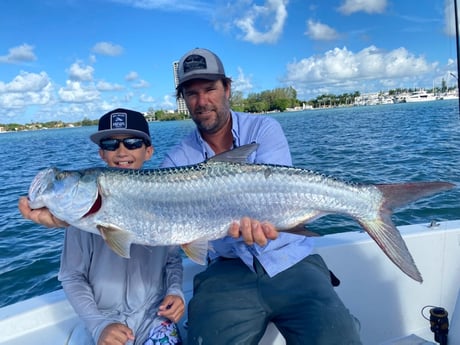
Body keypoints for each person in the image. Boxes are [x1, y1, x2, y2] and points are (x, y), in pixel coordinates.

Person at [162, 48, 362, 344]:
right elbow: (183, 237)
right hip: (226, 271)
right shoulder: (176, 161)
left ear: (228, 88)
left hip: (290, 259)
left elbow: (278, 197)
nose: (202, 102)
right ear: (183, 101)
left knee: (340, 338)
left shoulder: (264, 128)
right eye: (191, 94)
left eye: (210, 89)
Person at [19, 108, 185, 345]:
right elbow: (71, 276)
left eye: (133, 142)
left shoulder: (164, 198)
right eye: (110, 144)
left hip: (155, 318)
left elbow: (172, 260)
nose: (122, 151)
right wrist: (99, 324)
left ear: (148, 152)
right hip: (104, 324)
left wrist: (176, 291)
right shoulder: (78, 218)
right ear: (101, 154)